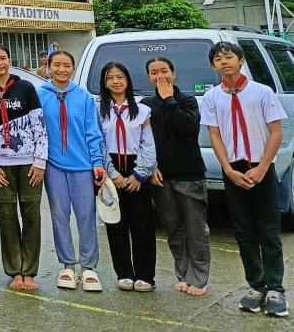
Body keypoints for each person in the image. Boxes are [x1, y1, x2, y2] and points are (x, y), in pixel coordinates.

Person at [201, 41, 288, 317]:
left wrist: (262, 168)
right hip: (234, 170)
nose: (224, 62)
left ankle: (275, 289)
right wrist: (227, 170)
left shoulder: (262, 92)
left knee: (269, 230)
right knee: (244, 230)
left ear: (241, 61)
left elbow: (276, 132)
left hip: (261, 167)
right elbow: (215, 135)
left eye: (229, 56)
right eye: (218, 59)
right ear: (213, 66)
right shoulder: (212, 97)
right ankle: (256, 286)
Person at [0, 42, 48, 291]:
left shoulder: (26, 88)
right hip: (0, 167)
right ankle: (15, 270)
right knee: (7, 217)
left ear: (9, 60)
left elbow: (39, 125)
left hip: (29, 164)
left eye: (3, 58)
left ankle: (30, 271)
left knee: (32, 216)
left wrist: (40, 161)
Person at [38, 51, 106, 292]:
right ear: (49, 67)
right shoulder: (40, 95)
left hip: (83, 166)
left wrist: (97, 162)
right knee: (59, 216)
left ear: (73, 68)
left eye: (67, 65)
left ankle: (88, 267)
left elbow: (93, 132)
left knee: (86, 216)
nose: (62, 69)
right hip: (53, 166)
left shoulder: (84, 97)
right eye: (56, 65)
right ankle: (67, 265)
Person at [142, 55, 210, 297]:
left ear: (174, 73)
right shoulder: (146, 104)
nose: (159, 76)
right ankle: (183, 274)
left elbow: (187, 127)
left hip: (189, 174)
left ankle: (198, 278)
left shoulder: (187, 101)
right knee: (174, 229)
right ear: (148, 76)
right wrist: (151, 167)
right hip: (160, 176)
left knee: (196, 229)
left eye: (164, 71)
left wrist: (169, 99)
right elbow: (143, 140)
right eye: (154, 72)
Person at [99, 62, 157, 292]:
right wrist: (112, 174)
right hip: (111, 169)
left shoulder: (142, 111)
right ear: (105, 83)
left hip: (135, 169)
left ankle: (145, 275)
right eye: (110, 78)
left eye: (120, 77)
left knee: (143, 225)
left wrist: (139, 174)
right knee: (115, 223)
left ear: (127, 80)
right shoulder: (99, 111)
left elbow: (147, 144)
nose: (115, 81)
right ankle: (123, 272)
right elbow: (99, 143)